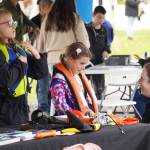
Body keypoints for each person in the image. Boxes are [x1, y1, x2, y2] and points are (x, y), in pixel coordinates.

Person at [0, 9, 43, 126]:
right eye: (9, 23)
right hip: (5, 107)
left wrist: (37, 55)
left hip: (21, 104)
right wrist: (20, 63)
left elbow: (38, 74)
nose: (14, 26)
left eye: (14, 23)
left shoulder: (16, 48)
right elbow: (6, 81)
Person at [49, 42, 98, 116]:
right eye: (81, 63)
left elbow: (86, 100)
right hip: (69, 124)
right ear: (70, 59)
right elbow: (60, 107)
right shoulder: (58, 81)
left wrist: (91, 113)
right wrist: (80, 116)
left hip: (84, 121)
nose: (83, 67)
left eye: (85, 64)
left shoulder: (78, 77)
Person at [31, 0, 53, 114]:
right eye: (42, 6)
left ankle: (50, 109)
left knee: (50, 85)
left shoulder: (55, 21)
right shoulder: (34, 21)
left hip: (53, 57)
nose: (44, 8)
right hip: (40, 58)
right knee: (42, 86)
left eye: (47, 6)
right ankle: (43, 111)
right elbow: (32, 40)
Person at [85, 6, 111, 99]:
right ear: (93, 15)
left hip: (100, 63)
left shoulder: (104, 30)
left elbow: (107, 45)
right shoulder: (86, 28)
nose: (101, 20)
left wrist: (105, 51)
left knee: (100, 88)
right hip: (87, 62)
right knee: (84, 86)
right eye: (99, 17)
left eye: (103, 18)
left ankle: (99, 106)